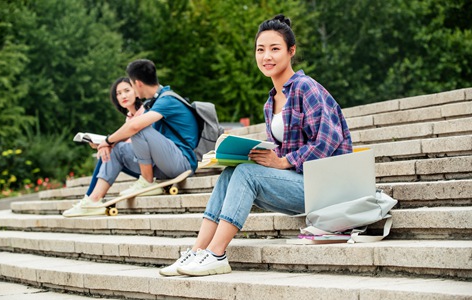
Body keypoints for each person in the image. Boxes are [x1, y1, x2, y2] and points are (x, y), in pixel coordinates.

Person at [159, 14, 353, 277]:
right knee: (231, 172)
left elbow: (327, 141)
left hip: (326, 188)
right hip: (299, 183)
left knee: (246, 174)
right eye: (260, 50)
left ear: (291, 51)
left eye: (275, 49)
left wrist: (283, 161)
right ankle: (197, 251)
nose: (266, 57)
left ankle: (217, 254)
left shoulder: (305, 88)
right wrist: (244, 153)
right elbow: (279, 151)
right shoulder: (270, 102)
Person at [96, 59, 199, 196]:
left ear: (137, 83)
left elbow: (135, 127)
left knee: (138, 127)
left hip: (182, 164)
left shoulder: (167, 100)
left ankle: (146, 181)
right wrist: (109, 144)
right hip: (165, 163)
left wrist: (108, 140)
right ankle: (93, 199)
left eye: (131, 85)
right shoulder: (155, 102)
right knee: (117, 149)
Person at [63, 77, 145, 217]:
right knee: (107, 152)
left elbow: (140, 144)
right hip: (139, 162)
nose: (123, 96)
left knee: (112, 150)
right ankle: (89, 200)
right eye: (118, 93)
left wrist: (110, 144)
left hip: (150, 164)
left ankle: (91, 200)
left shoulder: (145, 111)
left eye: (126, 90)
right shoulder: (129, 117)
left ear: (136, 92)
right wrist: (104, 144)